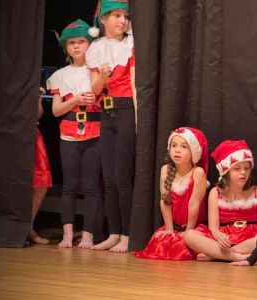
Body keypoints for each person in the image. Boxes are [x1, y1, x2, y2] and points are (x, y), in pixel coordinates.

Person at [86, 0, 136, 252]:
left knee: (121, 177)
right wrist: (103, 77)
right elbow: (94, 88)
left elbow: (136, 82)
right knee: (108, 178)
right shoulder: (96, 48)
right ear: (104, 19)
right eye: (116, 15)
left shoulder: (131, 43)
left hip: (126, 109)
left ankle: (127, 234)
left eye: (125, 16)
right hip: (106, 112)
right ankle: (114, 232)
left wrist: (137, 116)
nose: (122, 21)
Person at [47, 20, 101, 249]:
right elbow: (56, 110)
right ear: (66, 47)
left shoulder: (98, 71)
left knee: (91, 186)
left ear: (90, 44)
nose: (77, 47)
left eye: (81, 42)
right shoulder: (61, 75)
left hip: (95, 132)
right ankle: (67, 233)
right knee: (69, 186)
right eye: (72, 43)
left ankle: (88, 235)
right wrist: (75, 100)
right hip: (69, 133)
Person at [184, 140, 257, 261]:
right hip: (225, 237)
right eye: (237, 168)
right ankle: (236, 257)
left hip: (250, 238)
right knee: (189, 235)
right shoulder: (215, 193)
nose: (243, 172)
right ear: (226, 171)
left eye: (247, 168)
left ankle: (217, 255)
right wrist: (219, 236)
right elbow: (213, 227)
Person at [133, 127, 209, 260]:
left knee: (187, 247)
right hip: (173, 227)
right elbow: (165, 200)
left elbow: (194, 203)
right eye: (174, 145)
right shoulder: (166, 170)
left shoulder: (198, 173)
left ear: (194, 152)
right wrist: (169, 229)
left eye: (184, 147)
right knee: (160, 246)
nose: (177, 150)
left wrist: (187, 232)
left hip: (193, 228)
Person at [30, 87, 53, 245]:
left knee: (40, 184)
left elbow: (38, 115)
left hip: (32, 135)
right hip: (11, 136)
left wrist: (38, 98)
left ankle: (28, 226)